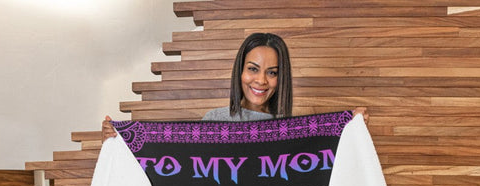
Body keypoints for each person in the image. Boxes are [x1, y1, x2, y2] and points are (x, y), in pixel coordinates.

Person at [102, 32, 367, 140]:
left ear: (281, 78)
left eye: (272, 73)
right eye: (253, 69)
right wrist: (122, 142)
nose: (261, 80)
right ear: (239, 72)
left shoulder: (294, 131)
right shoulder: (214, 120)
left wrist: (352, 131)